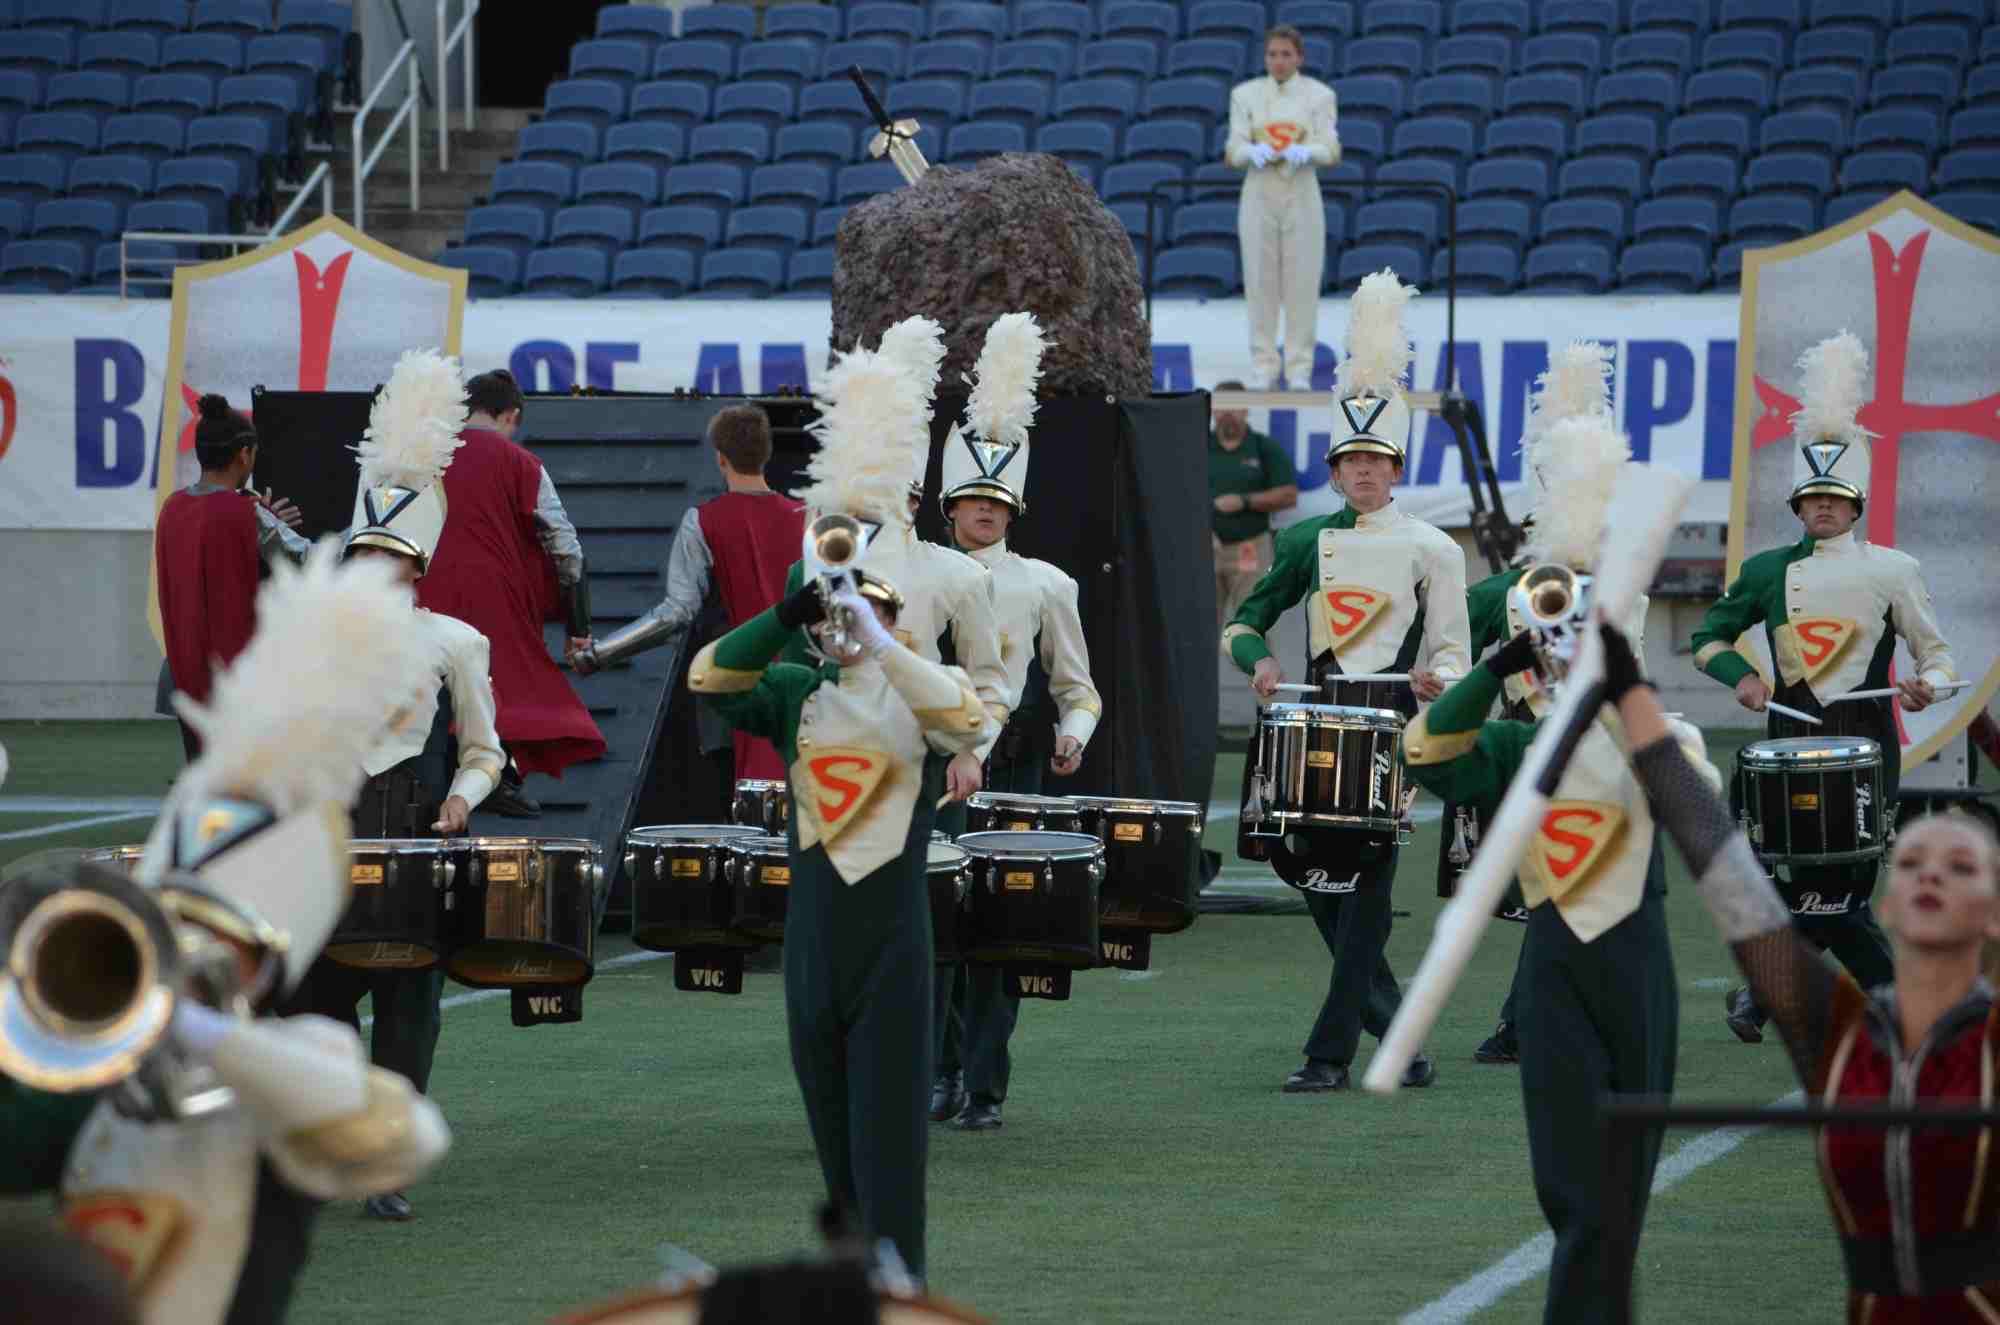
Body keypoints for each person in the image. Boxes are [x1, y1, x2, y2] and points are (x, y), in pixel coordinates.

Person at [31, 541, 452, 1325]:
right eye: (174, 921)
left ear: (266, 961)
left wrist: (190, 1025)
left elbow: (406, 1138)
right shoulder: (96, 1061)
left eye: (222, 935)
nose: (187, 944)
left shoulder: (297, 1060)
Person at [693, 339, 994, 1280]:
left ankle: (902, 1284)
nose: (846, 621)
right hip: (811, 953)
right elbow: (710, 677)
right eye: (837, 609)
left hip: (893, 951)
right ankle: (852, 1281)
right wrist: (789, 614)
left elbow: (968, 717)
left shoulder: (919, 699)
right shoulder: (795, 691)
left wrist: (885, 639)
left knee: (891, 1149)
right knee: (832, 1150)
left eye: (865, 608)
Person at [1402, 417, 1709, 1325]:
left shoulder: (1664, 732)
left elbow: (1696, 809)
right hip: (1554, 965)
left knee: (1621, 1198)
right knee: (1574, 1194)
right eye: (1555, 637)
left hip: (1638, 964)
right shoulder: (1513, 744)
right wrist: (1498, 662)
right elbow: (1426, 751)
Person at [1613, 618, 2000, 1324]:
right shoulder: (1841, 1036)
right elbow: (1722, 866)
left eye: (1960, 865)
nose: (1930, 875)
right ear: (1886, 898)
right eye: (1913, 861)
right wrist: (1627, 694)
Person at [1222, 271, 1466, 1093]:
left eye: (1376, 460)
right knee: (1315, 879)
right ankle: (1402, 1032)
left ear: (1396, 468)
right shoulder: (1304, 543)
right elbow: (1245, 621)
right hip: (1313, 720)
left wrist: (1439, 683)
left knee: (1366, 893)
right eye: (1351, 460)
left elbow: (1455, 650)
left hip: (1392, 724)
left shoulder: (1435, 548)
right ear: (1334, 471)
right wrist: (1259, 660)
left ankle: (1329, 1054)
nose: (1364, 471)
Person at [282, 348, 504, 1223]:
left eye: (391, 557)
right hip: (328, 837)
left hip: (415, 836)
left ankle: (387, 1164)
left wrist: (462, 799)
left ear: (418, 567)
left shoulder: (457, 641)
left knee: (411, 1009)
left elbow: (485, 751)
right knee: (314, 1002)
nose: (376, 569)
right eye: (365, 553)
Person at [1689, 332, 1958, 1043]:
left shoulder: (1894, 569)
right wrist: (1744, 677)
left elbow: (1938, 657)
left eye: (1836, 498)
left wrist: (1926, 688)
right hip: (1790, 738)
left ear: (1856, 503)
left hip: (1866, 741)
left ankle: (1765, 992)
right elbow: (1708, 639)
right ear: (1797, 505)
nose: (1824, 508)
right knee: (1812, 881)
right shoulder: (1766, 570)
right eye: (1812, 498)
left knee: (1843, 880)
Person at [924, 314, 1102, 1132]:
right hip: (937, 769)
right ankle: (939, 1071)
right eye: (973, 500)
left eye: (997, 502)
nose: (985, 512)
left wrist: (1074, 735)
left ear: (1015, 507)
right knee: (936, 926)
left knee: (1000, 930)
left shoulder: (1047, 584)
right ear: (950, 505)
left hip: (1018, 771)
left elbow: (1079, 689)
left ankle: (985, 1084)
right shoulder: (920, 574)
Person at [1459, 342, 1625, 1067]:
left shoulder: (1621, 591)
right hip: (1526, 752)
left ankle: (1528, 1025)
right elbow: (1452, 647)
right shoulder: (1500, 593)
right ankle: (1539, 1021)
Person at [777, 317, 1010, 806]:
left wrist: (972, 752)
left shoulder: (961, 575)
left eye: (897, 496)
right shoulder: (812, 568)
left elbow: (988, 682)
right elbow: (795, 676)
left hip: (924, 764)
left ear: (916, 500)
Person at [570, 403, 807, 784]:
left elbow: (677, 612)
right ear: (766, 454)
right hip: (803, 692)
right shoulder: (808, 518)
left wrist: (598, 654)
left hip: (732, 690)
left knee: (740, 808)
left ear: (720, 458)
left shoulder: (703, 520)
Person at [416, 367, 604, 816]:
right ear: (511, 415)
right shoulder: (523, 463)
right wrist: (578, 627)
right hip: (494, 602)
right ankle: (495, 777)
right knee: (502, 694)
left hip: (421, 599)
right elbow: (567, 549)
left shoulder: (420, 457)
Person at [153, 394, 309, 761]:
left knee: (203, 774)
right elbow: (309, 559)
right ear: (243, 454)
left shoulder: (173, 508)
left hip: (182, 670)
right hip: (235, 677)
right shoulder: (246, 513)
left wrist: (268, 524)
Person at [1226, 24, 1340, 391]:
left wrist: (1306, 152)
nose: (1278, 61)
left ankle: (1299, 368)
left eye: (1286, 54)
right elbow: (1233, 149)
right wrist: (1250, 152)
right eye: (1272, 54)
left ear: (1299, 57)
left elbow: (1331, 149)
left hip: (1301, 191)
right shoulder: (1244, 95)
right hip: (1259, 192)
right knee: (1259, 280)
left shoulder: (1320, 96)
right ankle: (1263, 365)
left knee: (1302, 282)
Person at [1209, 379, 1298, 635]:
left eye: (1234, 406)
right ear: (1212, 410)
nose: (1228, 413)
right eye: (1222, 406)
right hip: (1205, 548)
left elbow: (1289, 495)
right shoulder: (1197, 446)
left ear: (1246, 409)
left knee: (1251, 625)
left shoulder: (1263, 447)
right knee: (1200, 627)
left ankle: (1257, 663)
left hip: (1250, 549)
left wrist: (1245, 501)